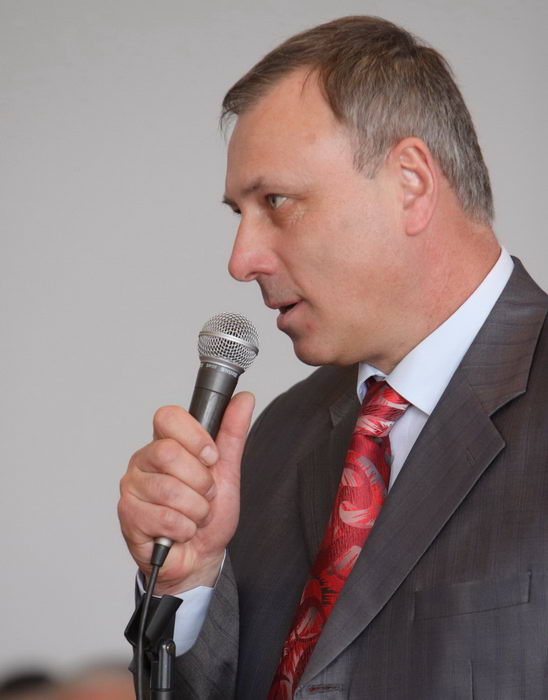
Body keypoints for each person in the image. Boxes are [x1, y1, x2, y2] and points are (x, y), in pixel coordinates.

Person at [118, 16, 548, 699]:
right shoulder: (276, 438)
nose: (241, 260)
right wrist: (189, 585)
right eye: (239, 213)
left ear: (411, 183)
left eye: (277, 201)